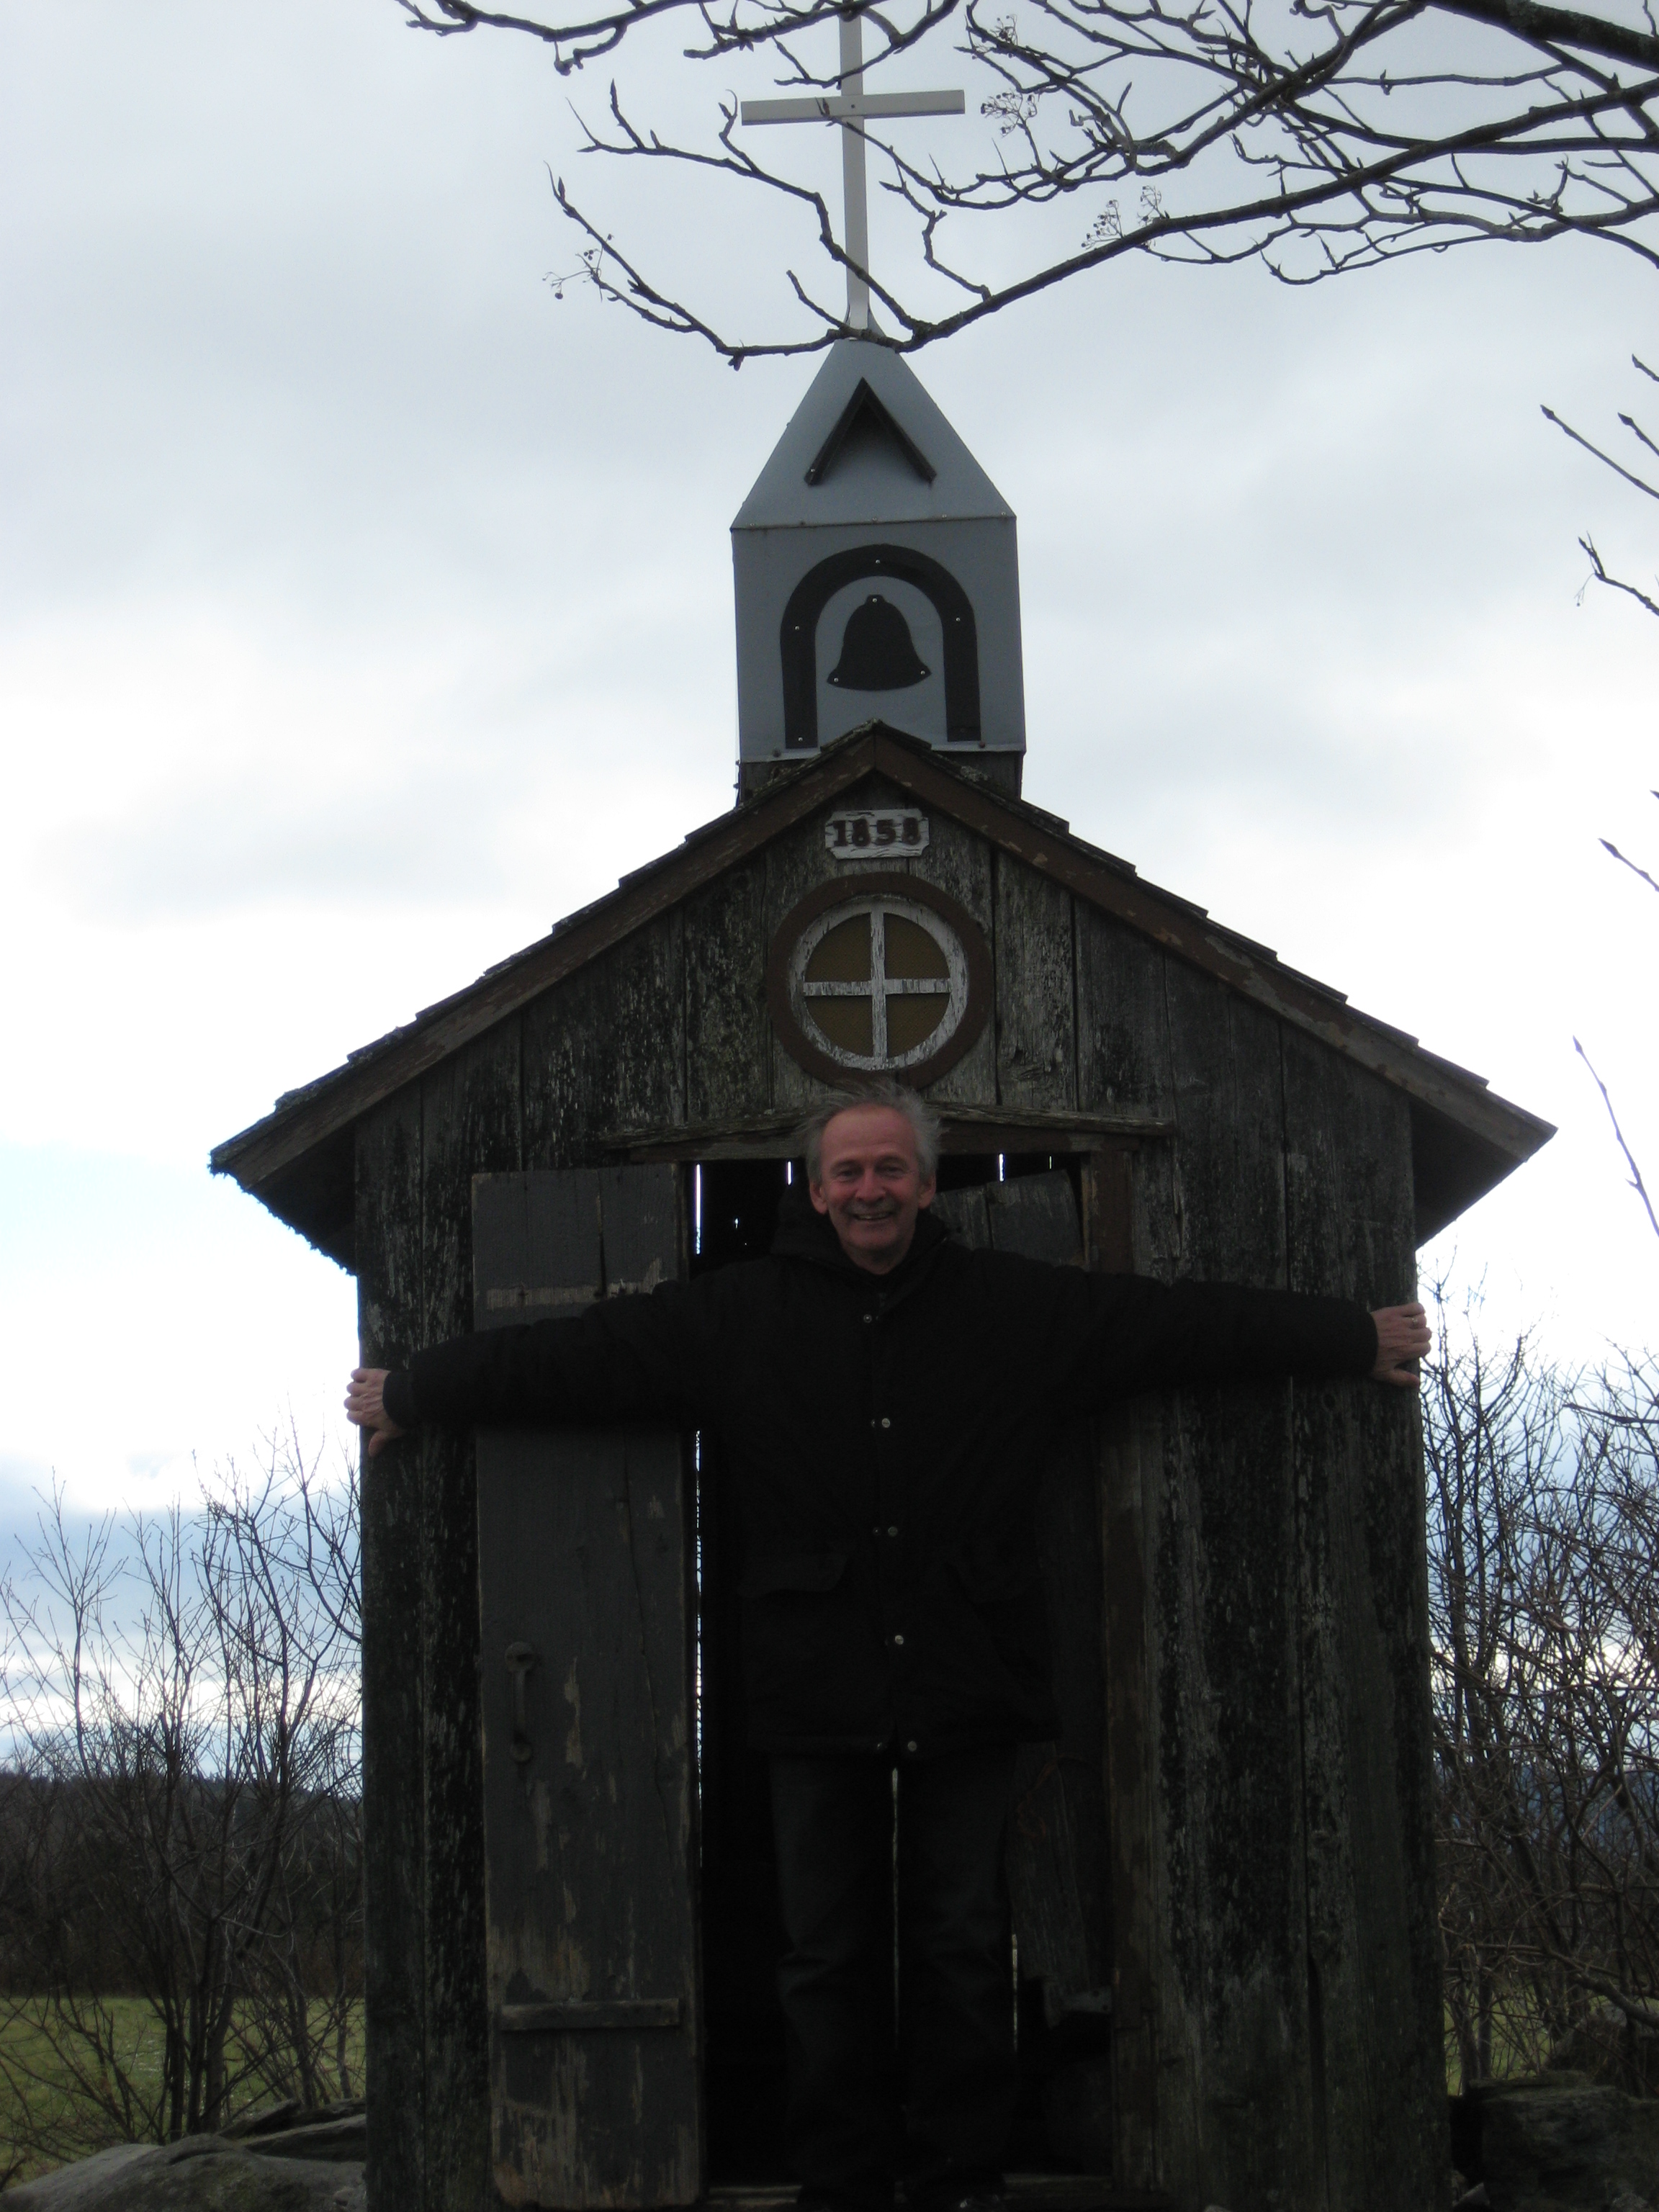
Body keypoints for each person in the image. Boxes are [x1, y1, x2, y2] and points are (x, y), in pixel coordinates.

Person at [346, 1078, 1429, 2212]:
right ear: (815, 1190)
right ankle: (843, 2186)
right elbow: (577, 1358)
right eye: (848, 1172)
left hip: (969, 1677)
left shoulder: (1016, 1309)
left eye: (890, 1169)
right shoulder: (735, 1316)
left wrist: (1351, 1335)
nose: (870, 1189)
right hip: (816, 1685)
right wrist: (417, 1391)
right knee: (826, 1956)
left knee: (964, 1946)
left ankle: (959, 2181)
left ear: (926, 1181)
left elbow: (1179, 1326)